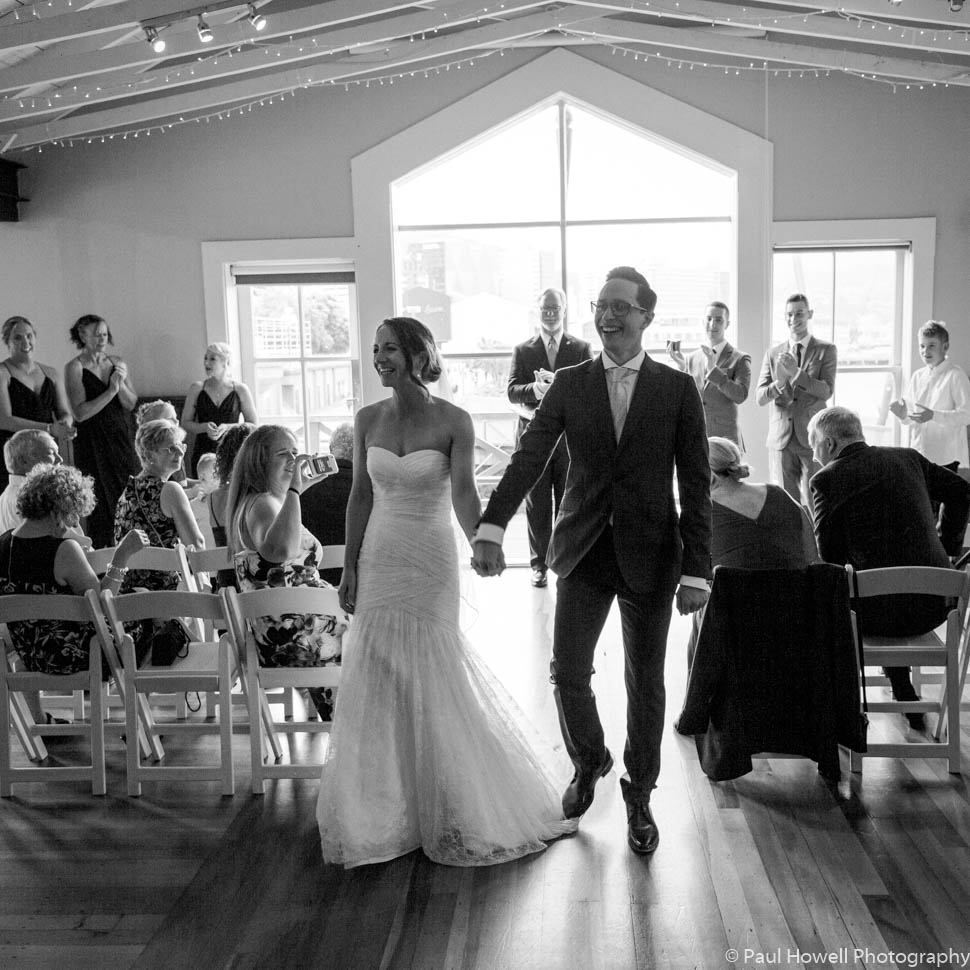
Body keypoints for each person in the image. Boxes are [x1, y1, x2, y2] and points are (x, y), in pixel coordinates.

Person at [317, 316, 573, 868]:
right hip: (380, 553)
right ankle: (384, 807)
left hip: (431, 556)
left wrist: (483, 539)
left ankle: (453, 799)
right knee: (378, 671)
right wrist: (350, 566)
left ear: (417, 354)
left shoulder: (454, 420)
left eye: (389, 348)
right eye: (376, 349)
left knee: (432, 667)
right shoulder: (367, 419)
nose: (379, 358)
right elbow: (360, 495)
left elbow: (462, 493)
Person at [473, 267, 712, 856]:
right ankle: (589, 760)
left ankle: (641, 793)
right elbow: (529, 458)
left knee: (645, 682)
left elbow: (696, 483)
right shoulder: (569, 383)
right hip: (581, 550)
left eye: (620, 306)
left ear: (646, 316)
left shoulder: (678, 389)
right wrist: (492, 526)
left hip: (652, 554)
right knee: (568, 671)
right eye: (601, 305)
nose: (608, 315)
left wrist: (697, 569)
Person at [809, 405, 970, 729]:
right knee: (885, 583)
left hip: (875, 615)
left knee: (843, 596)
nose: (813, 455)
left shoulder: (826, 479)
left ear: (828, 443)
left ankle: (830, 714)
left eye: (814, 445)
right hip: (936, 605)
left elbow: (829, 557)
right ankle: (902, 687)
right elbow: (963, 492)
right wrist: (948, 547)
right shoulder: (908, 458)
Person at [226, 424, 344, 721]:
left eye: (295, 452)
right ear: (259, 462)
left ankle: (346, 725)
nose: (295, 460)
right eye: (284, 454)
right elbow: (280, 551)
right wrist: (294, 491)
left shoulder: (269, 501)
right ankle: (356, 730)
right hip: (291, 634)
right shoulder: (262, 503)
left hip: (300, 627)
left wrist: (297, 490)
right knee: (382, 636)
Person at [0, 462, 148, 679]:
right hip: (80, 657)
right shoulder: (64, 550)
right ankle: (147, 691)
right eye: (72, 513)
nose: (75, 522)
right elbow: (103, 607)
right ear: (56, 511)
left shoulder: (3, 543)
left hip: (30, 655)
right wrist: (122, 555)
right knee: (145, 609)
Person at [686, 436, 818, 666]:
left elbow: (694, 573)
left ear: (710, 475)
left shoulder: (703, 513)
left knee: (703, 607)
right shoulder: (780, 494)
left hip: (732, 628)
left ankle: (699, 686)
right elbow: (811, 556)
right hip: (793, 621)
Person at [507, 288, 593, 587]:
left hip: (569, 439)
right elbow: (512, 391)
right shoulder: (523, 350)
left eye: (555, 308)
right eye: (545, 308)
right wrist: (535, 389)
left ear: (565, 310)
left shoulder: (581, 348)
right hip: (534, 438)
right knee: (537, 503)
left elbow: (591, 390)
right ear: (538, 311)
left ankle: (566, 561)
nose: (550, 313)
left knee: (569, 501)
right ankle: (539, 565)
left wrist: (561, 386)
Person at [64, 314, 140, 548]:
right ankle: (103, 553)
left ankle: (134, 547)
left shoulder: (117, 362)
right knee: (99, 500)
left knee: (127, 492)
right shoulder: (74, 367)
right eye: (97, 335)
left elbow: (131, 403)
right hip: (91, 442)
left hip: (120, 438)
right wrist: (111, 390)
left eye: (105, 334)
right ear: (82, 336)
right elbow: (80, 413)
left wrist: (120, 385)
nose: (102, 339)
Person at [756, 294, 837, 514]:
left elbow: (826, 391)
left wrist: (797, 373)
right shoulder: (773, 353)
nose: (794, 319)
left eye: (799, 313)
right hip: (781, 438)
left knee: (816, 498)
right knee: (786, 502)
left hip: (812, 436)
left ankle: (817, 537)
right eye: (790, 314)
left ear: (809, 314)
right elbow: (760, 397)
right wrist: (780, 383)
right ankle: (793, 537)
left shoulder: (826, 349)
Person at [114, 419, 204, 593]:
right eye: (171, 448)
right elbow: (196, 545)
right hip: (165, 596)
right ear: (149, 455)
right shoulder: (169, 490)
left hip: (129, 596)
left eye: (181, 446)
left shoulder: (126, 493)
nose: (180, 453)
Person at [0, 316, 75, 493]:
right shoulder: (2, 373)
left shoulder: (51, 373)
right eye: (17, 338)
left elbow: (65, 412)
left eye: (29, 336)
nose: (25, 342)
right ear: (7, 342)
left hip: (45, 450)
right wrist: (49, 428)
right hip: (15, 452)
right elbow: (5, 420)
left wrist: (65, 425)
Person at [668, 302, 750, 447]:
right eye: (709, 319)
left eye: (719, 320)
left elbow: (740, 395)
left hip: (726, 439)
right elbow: (685, 397)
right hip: (695, 436)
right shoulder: (691, 358)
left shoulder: (740, 358)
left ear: (727, 324)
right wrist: (681, 368)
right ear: (703, 321)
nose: (712, 324)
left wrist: (713, 371)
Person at [890, 320, 970, 468]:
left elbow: (967, 415)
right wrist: (903, 415)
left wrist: (934, 415)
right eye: (922, 346)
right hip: (919, 454)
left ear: (945, 347)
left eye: (932, 345)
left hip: (946, 459)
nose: (925, 351)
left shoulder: (956, 376)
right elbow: (913, 418)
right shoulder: (917, 376)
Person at [181, 342, 257, 477]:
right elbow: (185, 423)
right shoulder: (197, 388)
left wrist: (228, 427)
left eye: (212, 359)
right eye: (205, 358)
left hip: (233, 451)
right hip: (203, 451)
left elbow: (253, 424)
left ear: (225, 362)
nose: (206, 363)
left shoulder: (240, 389)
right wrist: (204, 427)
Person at [300, 422, 354, 586]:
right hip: (357, 576)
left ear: (331, 451)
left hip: (315, 578)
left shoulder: (306, 487)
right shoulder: (370, 487)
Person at [0, 429, 63, 534]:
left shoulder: (3, 498)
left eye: (58, 452)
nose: (60, 459)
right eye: (51, 453)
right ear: (23, 461)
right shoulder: (38, 498)